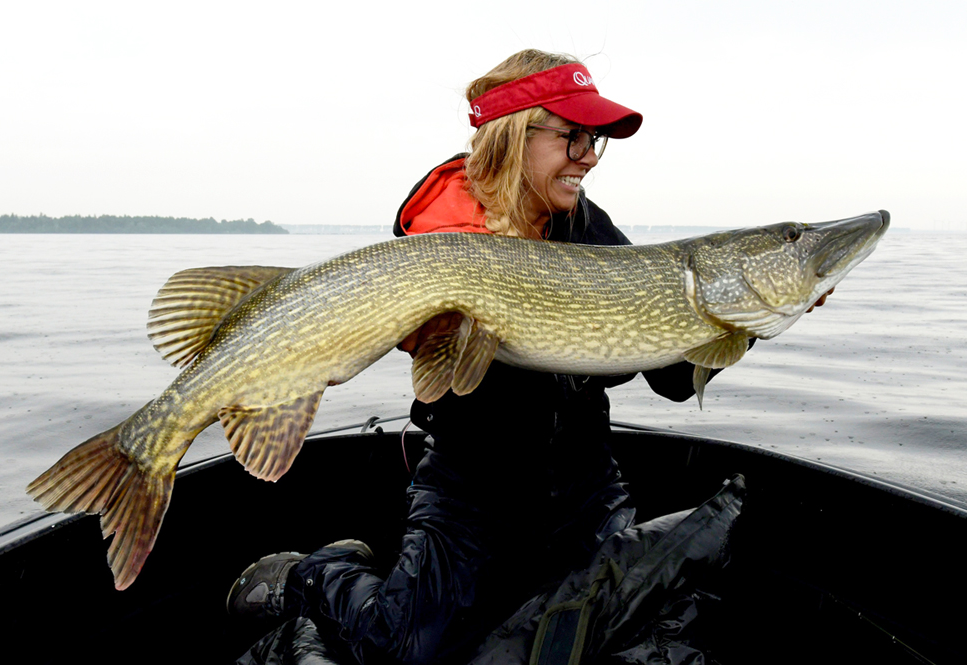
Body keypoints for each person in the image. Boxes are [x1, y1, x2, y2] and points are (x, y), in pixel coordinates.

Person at [227, 50, 819, 665]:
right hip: (470, 490)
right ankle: (317, 574)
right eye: (574, 136)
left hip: (584, 485)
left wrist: (750, 318)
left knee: (620, 632)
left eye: (596, 140)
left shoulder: (587, 226)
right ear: (514, 134)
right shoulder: (444, 241)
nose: (589, 155)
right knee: (401, 650)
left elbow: (673, 378)